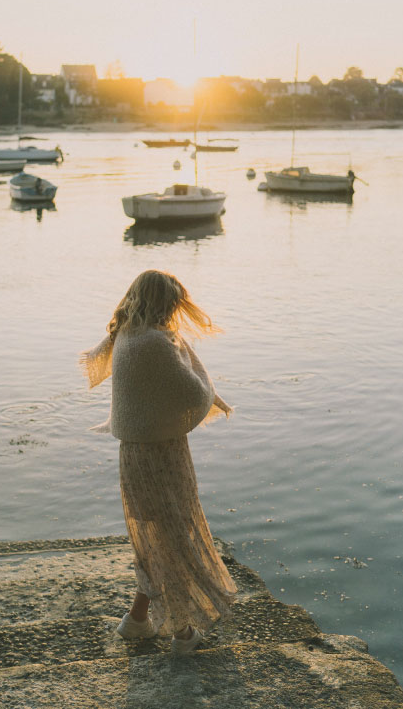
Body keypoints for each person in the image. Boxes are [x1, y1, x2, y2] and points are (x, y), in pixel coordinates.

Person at [81, 269, 237, 653]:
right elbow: (192, 390)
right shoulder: (154, 342)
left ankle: (136, 620)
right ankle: (182, 633)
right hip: (162, 454)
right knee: (172, 536)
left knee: (156, 537)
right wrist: (205, 382)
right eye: (172, 304)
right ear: (164, 304)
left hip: (134, 453)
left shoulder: (125, 336)